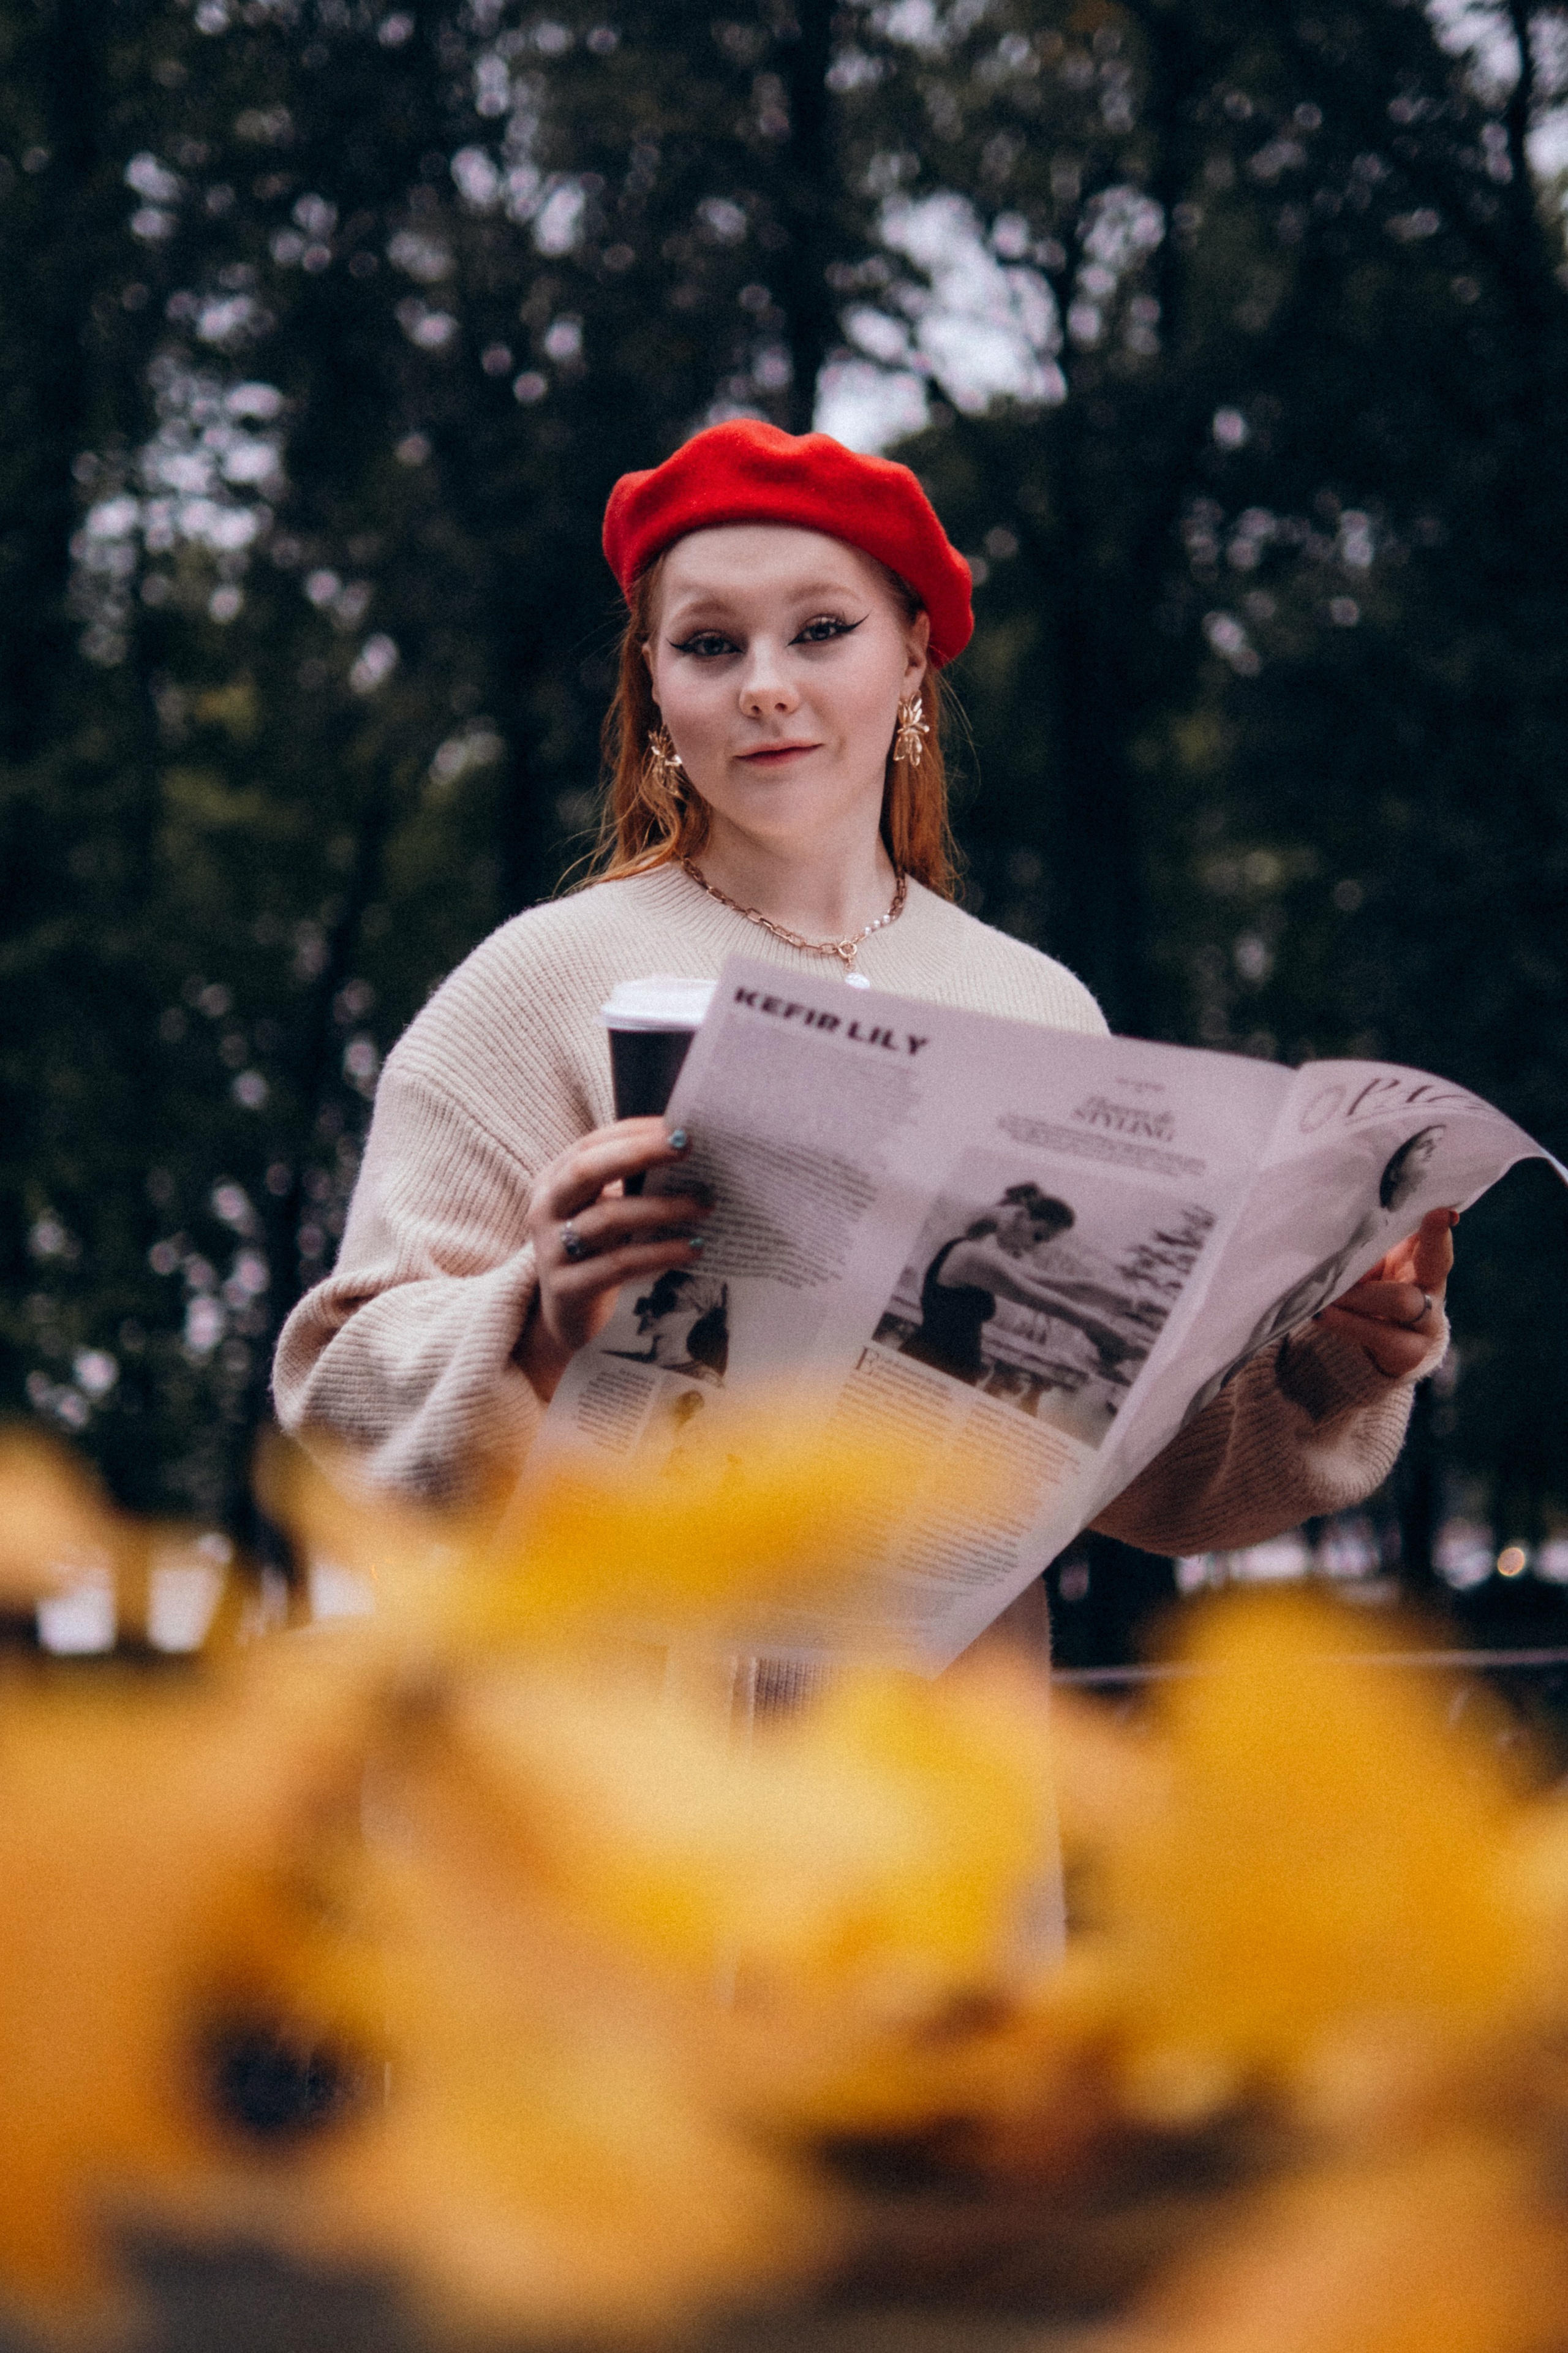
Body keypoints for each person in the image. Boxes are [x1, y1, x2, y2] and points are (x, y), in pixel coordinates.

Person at [273, 418, 1452, 1596]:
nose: (767, 685)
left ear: (913, 660)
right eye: (710, 644)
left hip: (933, 1756)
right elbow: (337, 1405)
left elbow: (1131, 1463)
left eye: (822, 630)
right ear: (654, 686)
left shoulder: (1038, 1005)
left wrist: (1335, 1357)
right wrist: (537, 1324)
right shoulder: (536, 984)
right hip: (602, 1752)